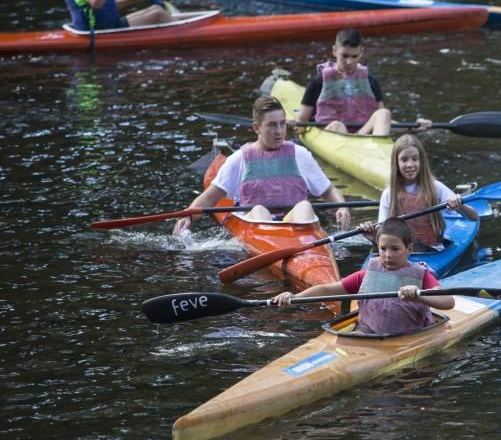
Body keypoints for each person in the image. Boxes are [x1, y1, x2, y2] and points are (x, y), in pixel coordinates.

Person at [172, 96, 352, 236]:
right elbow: (209, 198)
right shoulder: (239, 159)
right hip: (257, 226)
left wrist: (342, 207)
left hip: (296, 226)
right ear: (256, 128)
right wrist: (187, 216)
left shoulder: (301, 155)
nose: (280, 131)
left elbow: (328, 190)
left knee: (305, 206)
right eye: (272, 125)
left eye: (282, 124)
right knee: (259, 210)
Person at [271, 218, 454, 335]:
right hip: (367, 334)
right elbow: (328, 289)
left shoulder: (421, 276)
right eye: (383, 249)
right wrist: (294, 297)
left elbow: (448, 302)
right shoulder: (366, 275)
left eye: (395, 249)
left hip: (409, 334)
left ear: (409, 250)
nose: (388, 255)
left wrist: (420, 294)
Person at [297, 28, 429, 135]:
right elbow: (302, 122)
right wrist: (291, 126)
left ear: (361, 52)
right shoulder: (319, 82)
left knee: (384, 113)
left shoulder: (371, 81)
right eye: (345, 56)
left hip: (363, 135)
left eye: (355, 56)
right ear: (334, 51)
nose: (350, 61)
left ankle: (379, 152)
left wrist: (413, 128)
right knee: (338, 126)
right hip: (333, 134)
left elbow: (383, 122)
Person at [360, 134, 478, 252]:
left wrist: (460, 206)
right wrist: (372, 237)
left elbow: (473, 217)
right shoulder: (388, 194)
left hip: (431, 250)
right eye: (404, 159)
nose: (410, 165)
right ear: (396, 163)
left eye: (415, 159)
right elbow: (383, 238)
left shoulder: (435, 187)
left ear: (421, 161)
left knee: (418, 248)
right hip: (399, 253)